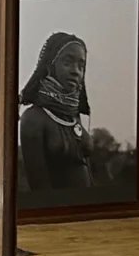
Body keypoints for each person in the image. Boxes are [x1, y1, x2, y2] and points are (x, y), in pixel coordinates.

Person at [19, 31, 95, 205]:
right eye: (67, 63)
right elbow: (40, 190)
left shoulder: (73, 116)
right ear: (49, 66)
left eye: (81, 66)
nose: (76, 72)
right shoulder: (33, 119)